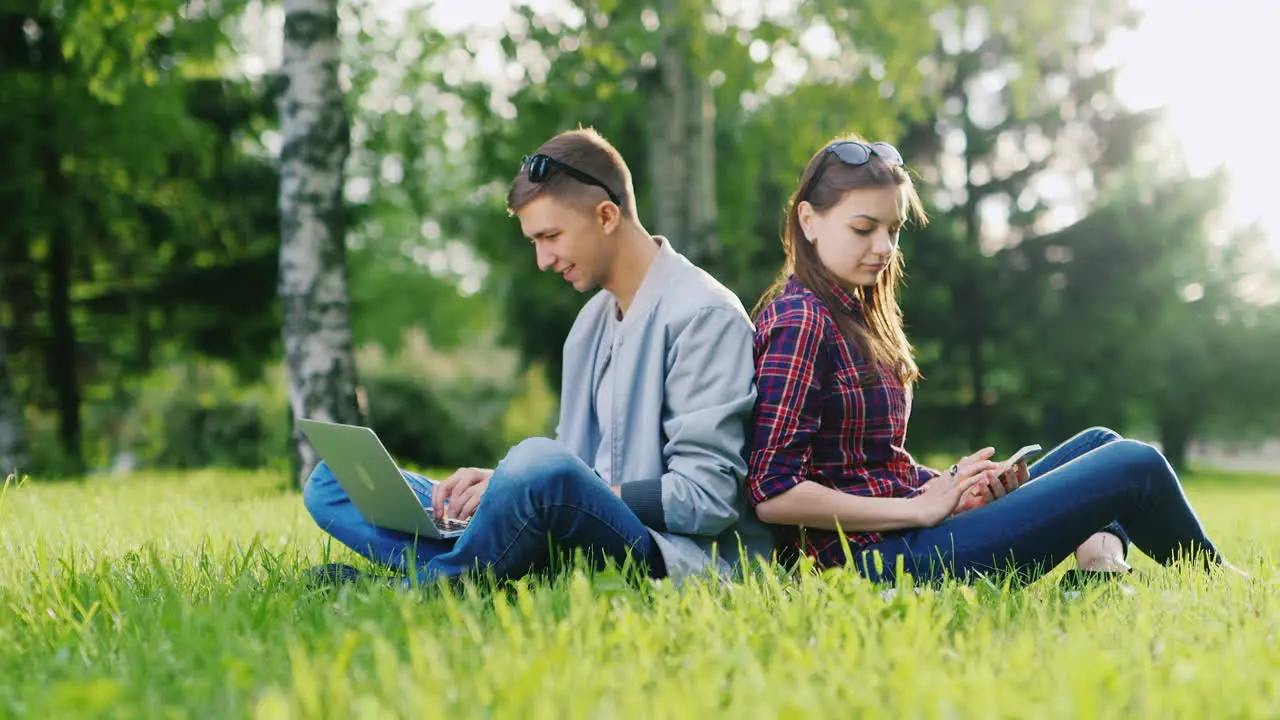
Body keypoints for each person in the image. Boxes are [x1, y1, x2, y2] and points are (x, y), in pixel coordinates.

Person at [745, 134, 1245, 586]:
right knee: (1135, 464)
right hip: (875, 562)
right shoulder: (800, 322)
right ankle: (1222, 585)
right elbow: (774, 494)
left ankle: (1099, 574)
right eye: (864, 229)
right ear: (809, 221)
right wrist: (917, 511)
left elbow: (871, 464)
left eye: (893, 230)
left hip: (909, 533)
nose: (884, 248)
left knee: (1099, 443)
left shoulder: (851, 312)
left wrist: (956, 487)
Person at [302, 128, 775, 589]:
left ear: (607, 215)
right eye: (534, 242)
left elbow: (707, 498)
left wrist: (542, 490)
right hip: (572, 529)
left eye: (550, 236)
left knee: (535, 463)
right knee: (332, 483)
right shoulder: (590, 323)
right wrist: (502, 486)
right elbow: (572, 467)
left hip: (670, 553)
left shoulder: (704, 315)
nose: (543, 260)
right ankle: (487, 561)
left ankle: (428, 586)